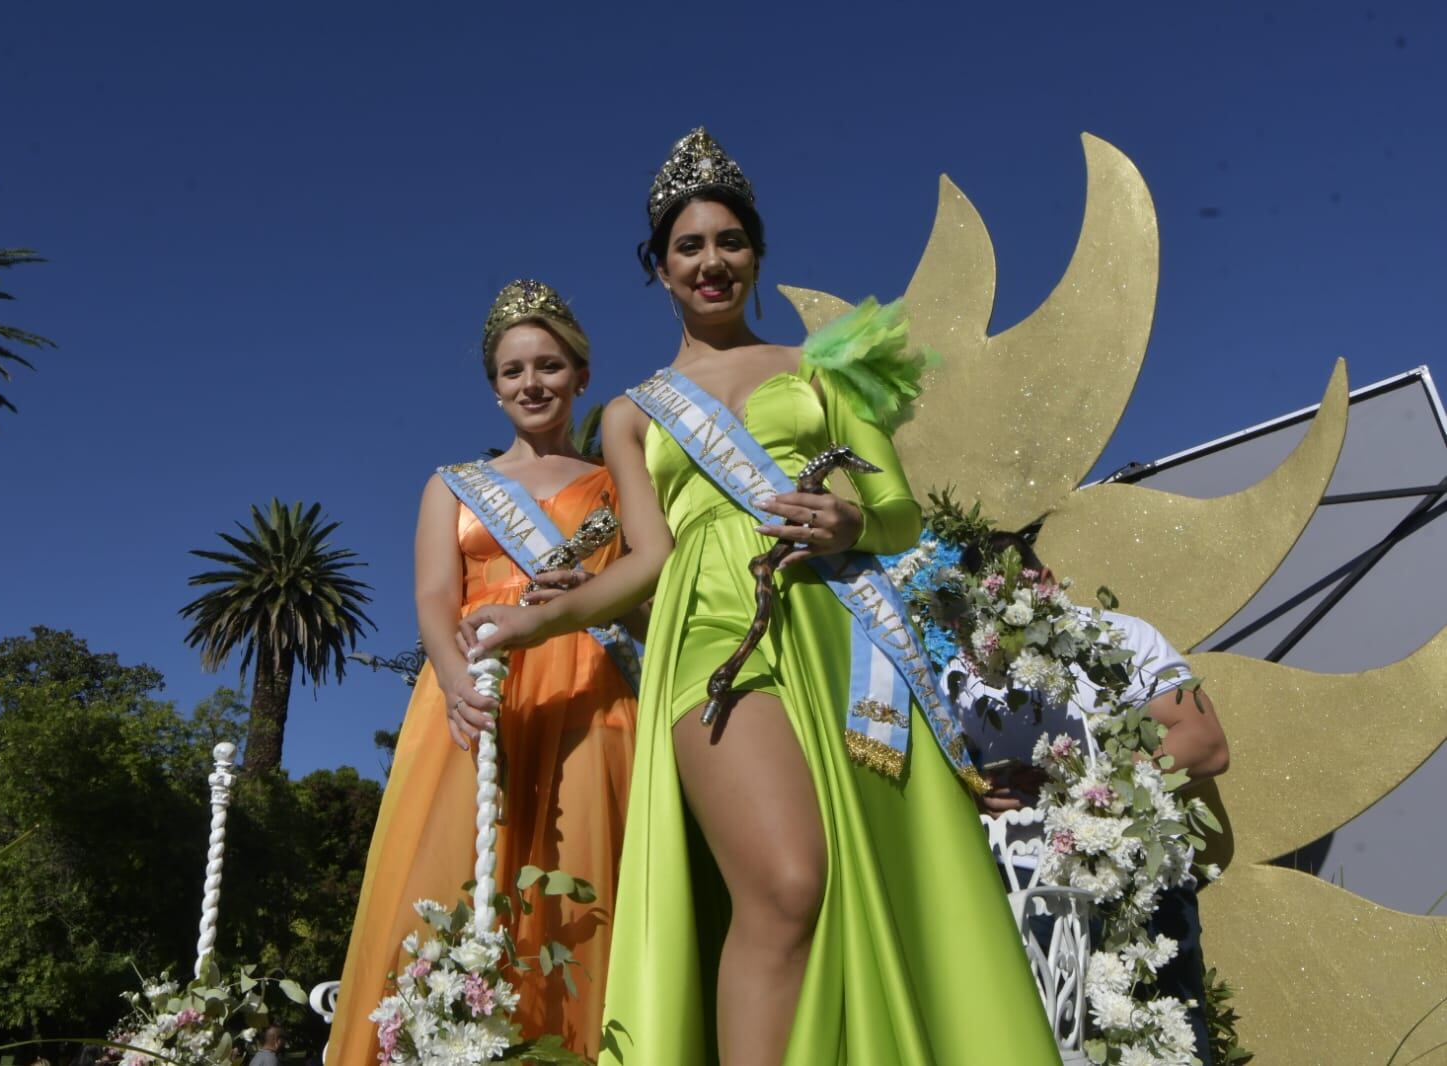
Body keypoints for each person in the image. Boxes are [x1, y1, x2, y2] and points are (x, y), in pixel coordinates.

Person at [465, 128, 1060, 1065]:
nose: (712, 262)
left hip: (837, 631)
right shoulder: (630, 411)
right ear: (658, 269)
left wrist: (850, 524)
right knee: (784, 883)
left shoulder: (825, 369)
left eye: (729, 242)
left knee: (864, 883)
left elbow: (896, 511)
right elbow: (646, 558)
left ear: (756, 253)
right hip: (710, 634)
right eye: (688, 247)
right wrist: (535, 618)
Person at [326, 280, 639, 1061]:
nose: (531, 384)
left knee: (580, 885)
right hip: (471, 691)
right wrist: (455, 681)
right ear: (494, 388)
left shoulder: (619, 485)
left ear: (580, 376)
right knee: (448, 874)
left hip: (586, 691)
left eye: (549, 365)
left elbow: (644, 595)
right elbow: (435, 597)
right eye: (512, 371)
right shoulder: (451, 485)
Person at [958, 531, 1229, 1063]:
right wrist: (972, 789)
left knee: (1168, 1041)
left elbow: (1204, 743)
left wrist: (1081, 784)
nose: (1007, 619)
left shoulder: (1117, 638)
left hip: (1136, 886)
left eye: (1019, 595)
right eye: (986, 611)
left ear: (1050, 582)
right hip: (1018, 893)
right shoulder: (958, 674)